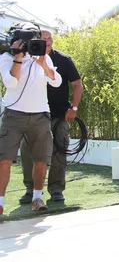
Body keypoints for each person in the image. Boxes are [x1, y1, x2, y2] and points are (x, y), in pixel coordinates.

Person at [0, 23, 62, 215]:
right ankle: (0, 203)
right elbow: (11, 82)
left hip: (40, 116)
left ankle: (37, 198)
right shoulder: (6, 58)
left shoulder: (42, 57)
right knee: (4, 160)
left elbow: (56, 81)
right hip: (14, 115)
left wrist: (43, 64)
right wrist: (18, 57)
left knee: (41, 160)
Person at [19, 30, 83, 204]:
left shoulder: (63, 59)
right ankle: (30, 190)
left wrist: (74, 107)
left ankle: (56, 189)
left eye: (49, 38)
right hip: (33, 114)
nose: (47, 41)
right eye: (43, 39)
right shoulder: (26, 59)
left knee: (59, 150)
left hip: (59, 115)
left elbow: (78, 85)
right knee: (27, 152)